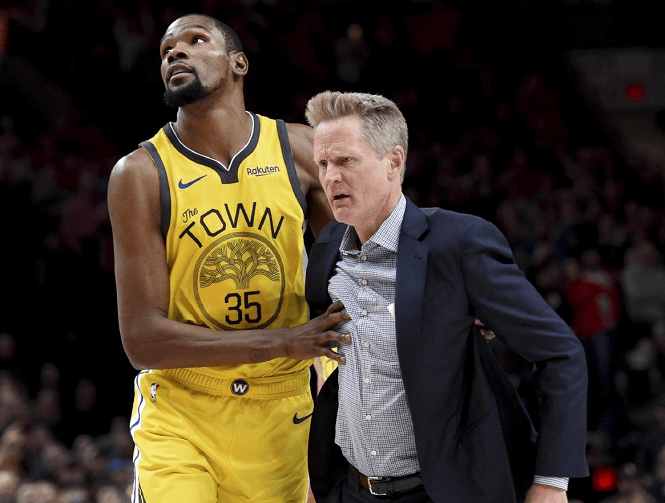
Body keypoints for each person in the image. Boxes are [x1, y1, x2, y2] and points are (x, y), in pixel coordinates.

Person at [107, 14, 352, 503]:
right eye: (166, 50)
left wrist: (451, 300)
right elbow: (142, 340)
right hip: (183, 413)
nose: (176, 53)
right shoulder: (140, 173)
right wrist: (285, 341)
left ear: (239, 63)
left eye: (196, 40)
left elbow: (366, 266)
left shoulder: (302, 150)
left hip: (284, 411)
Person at [303, 91, 589, 503]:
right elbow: (322, 347)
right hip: (351, 488)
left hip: (443, 491)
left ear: (393, 161)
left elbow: (560, 353)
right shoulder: (328, 245)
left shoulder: (460, 244)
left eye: (346, 161)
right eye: (323, 164)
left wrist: (552, 481)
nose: (330, 177)